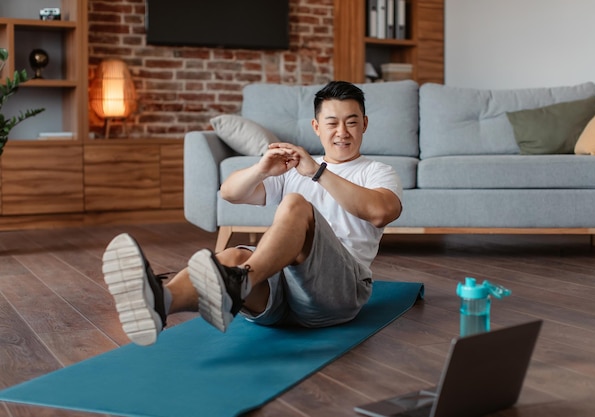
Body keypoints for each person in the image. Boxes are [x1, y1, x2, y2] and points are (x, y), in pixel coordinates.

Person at [102, 81, 403, 346]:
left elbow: (380, 212)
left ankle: (241, 281)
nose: (342, 132)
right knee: (232, 257)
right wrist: (261, 169)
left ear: (364, 124)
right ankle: (160, 302)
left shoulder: (377, 172)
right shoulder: (293, 170)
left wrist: (318, 172)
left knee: (296, 204)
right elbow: (228, 193)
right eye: (332, 123)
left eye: (351, 122)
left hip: (337, 296)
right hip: (280, 301)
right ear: (316, 127)